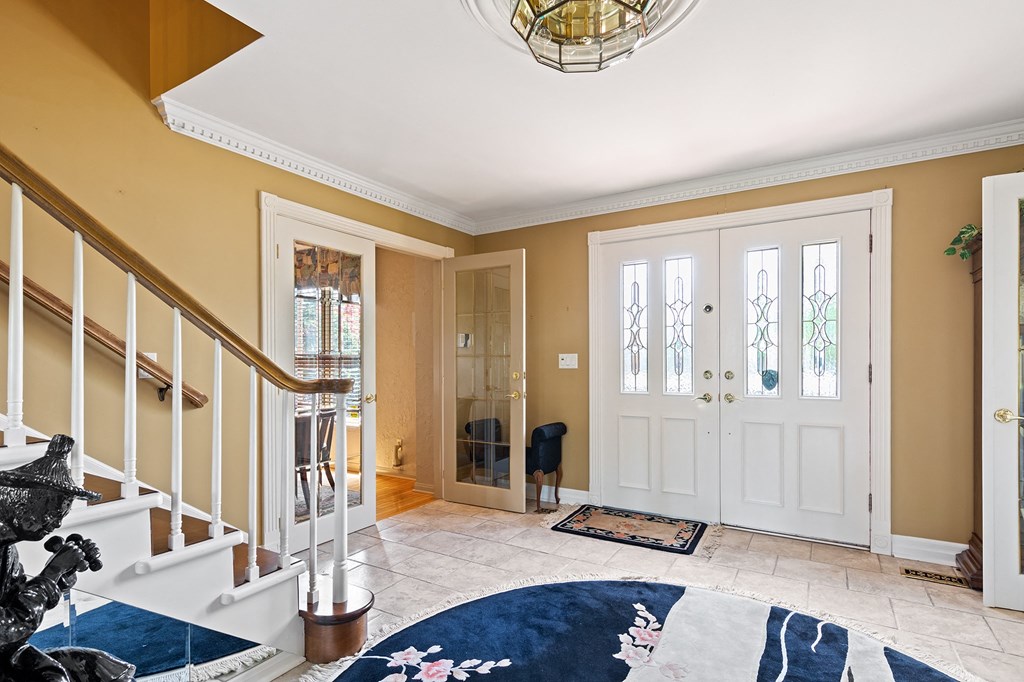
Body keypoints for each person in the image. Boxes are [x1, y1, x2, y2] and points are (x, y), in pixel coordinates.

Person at [0, 434, 135, 681]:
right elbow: (8, 628)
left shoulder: (8, 551)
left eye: (62, 514)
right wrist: (50, 576)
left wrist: (60, 577)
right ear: (23, 507)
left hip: (7, 654)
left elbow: (19, 610)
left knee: (102, 668)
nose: (57, 523)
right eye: (52, 512)